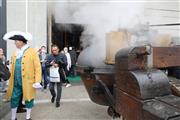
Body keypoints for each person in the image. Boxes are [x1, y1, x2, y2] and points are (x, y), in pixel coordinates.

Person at [3, 31, 42, 120]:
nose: (14, 43)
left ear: (21, 41)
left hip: (28, 81)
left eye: (16, 41)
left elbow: (38, 67)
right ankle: (13, 118)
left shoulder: (32, 52)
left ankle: (28, 117)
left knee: (29, 98)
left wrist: (37, 81)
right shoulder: (15, 52)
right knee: (14, 98)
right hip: (15, 81)